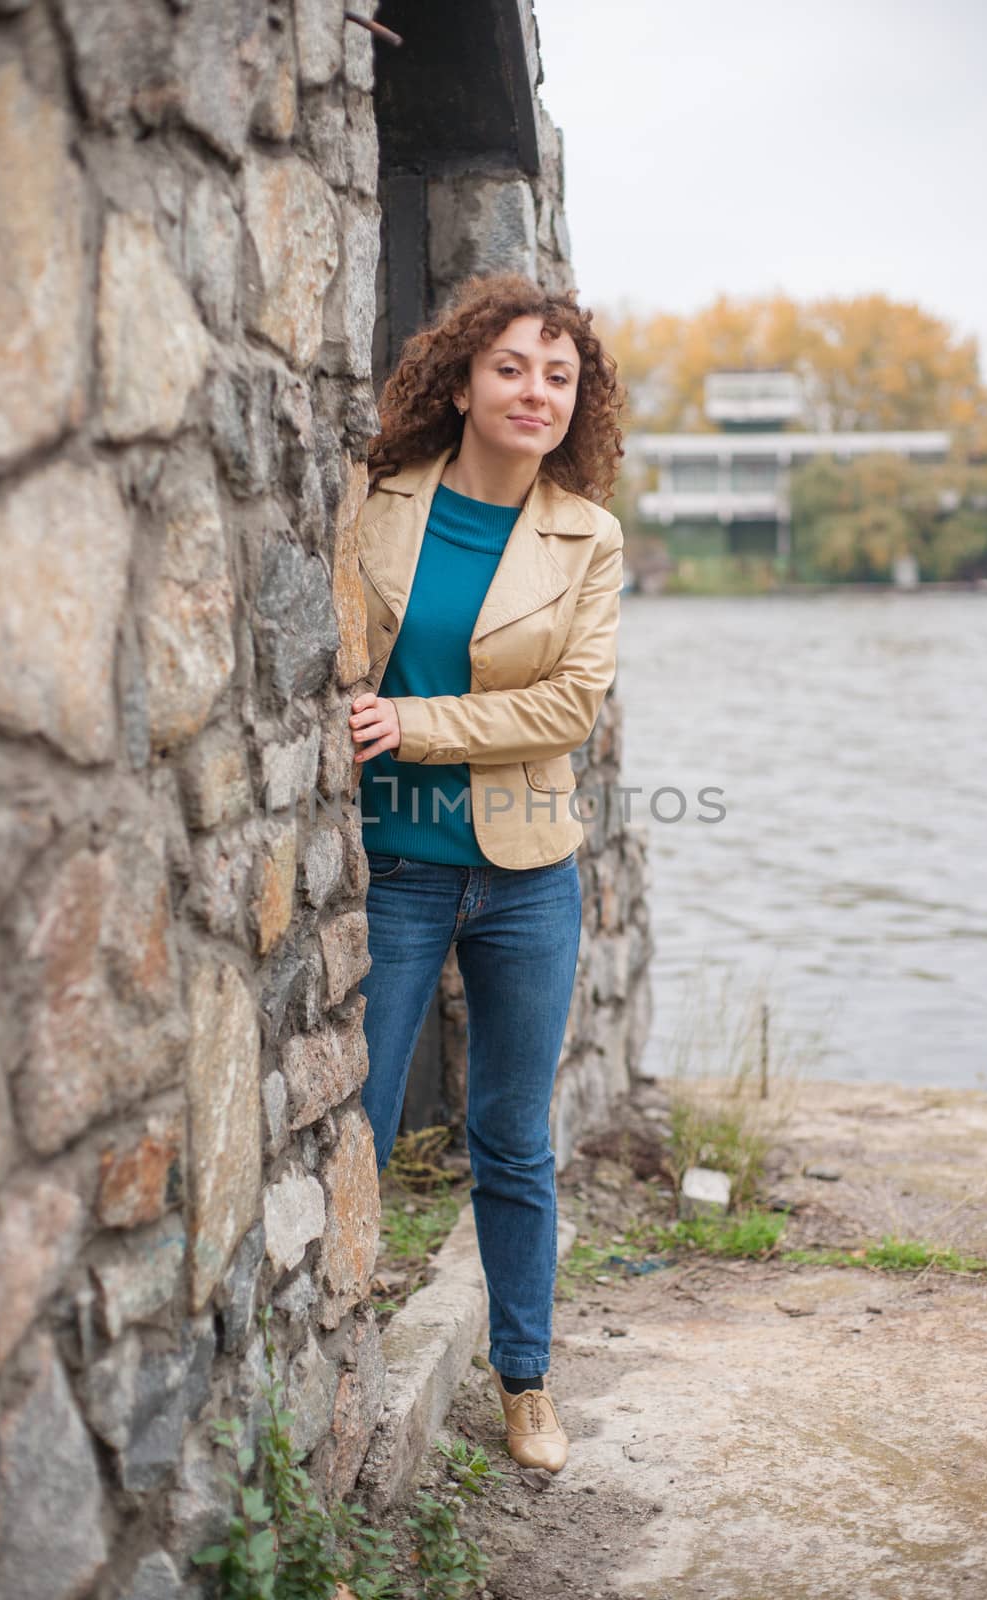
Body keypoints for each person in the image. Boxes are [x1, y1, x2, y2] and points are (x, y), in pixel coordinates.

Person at [349, 272, 625, 1472]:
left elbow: (570, 703)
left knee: (510, 1135)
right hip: (395, 866)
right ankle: (333, 1348)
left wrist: (415, 725)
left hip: (526, 876)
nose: (535, 391)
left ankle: (525, 1380)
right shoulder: (375, 501)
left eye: (558, 375)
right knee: (347, 1120)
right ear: (460, 381)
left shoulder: (588, 536)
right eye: (511, 366)